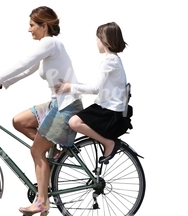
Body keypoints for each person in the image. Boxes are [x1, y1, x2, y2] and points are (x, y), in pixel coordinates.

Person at [0, 6, 83, 216]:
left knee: (36, 152)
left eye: (32, 25)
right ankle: (51, 147)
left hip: (65, 107)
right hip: (57, 103)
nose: (29, 30)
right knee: (20, 121)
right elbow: (28, 69)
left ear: (44, 26)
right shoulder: (50, 47)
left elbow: (23, 62)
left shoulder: (50, 43)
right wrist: (0, 84)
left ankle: (42, 202)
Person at [55, 22, 132, 164]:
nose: (96, 42)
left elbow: (95, 88)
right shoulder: (114, 60)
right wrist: (71, 85)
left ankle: (109, 143)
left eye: (97, 38)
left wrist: (70, 87)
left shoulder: (109, 61)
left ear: (105, 40)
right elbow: (96, 86)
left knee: (74, 122)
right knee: (74, 119)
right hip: (109, 108)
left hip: (109, 112)